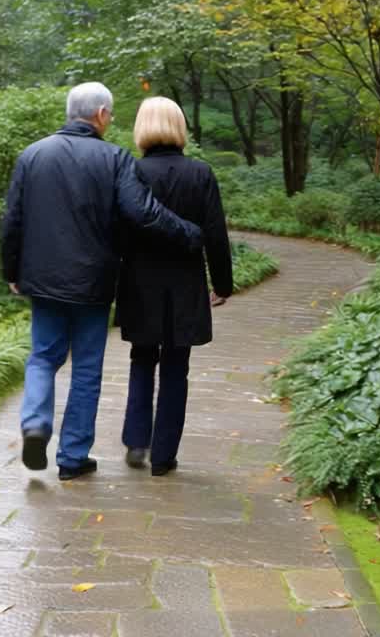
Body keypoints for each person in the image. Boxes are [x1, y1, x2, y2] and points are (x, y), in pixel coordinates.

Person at [0, 83, 203, 481]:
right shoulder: (113, 158)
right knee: (87, 369)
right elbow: (142, 212)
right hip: (92, 282)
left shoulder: (33, 154)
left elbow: (13, 221)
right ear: (103, 115)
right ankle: (72, 458)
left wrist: (12, 272)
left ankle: (36, 425)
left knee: (43, 356)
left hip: (41, 280)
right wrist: (190, 233)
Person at [115, 97, 233, 477]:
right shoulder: (200, 173)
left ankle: (136, 441)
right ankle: (164, 456)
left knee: (141, 358)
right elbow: (215, 233)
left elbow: (116, 231)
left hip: (140, 281)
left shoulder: (131, 171)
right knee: (176, 366)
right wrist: (223, 283)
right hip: (184, 282)